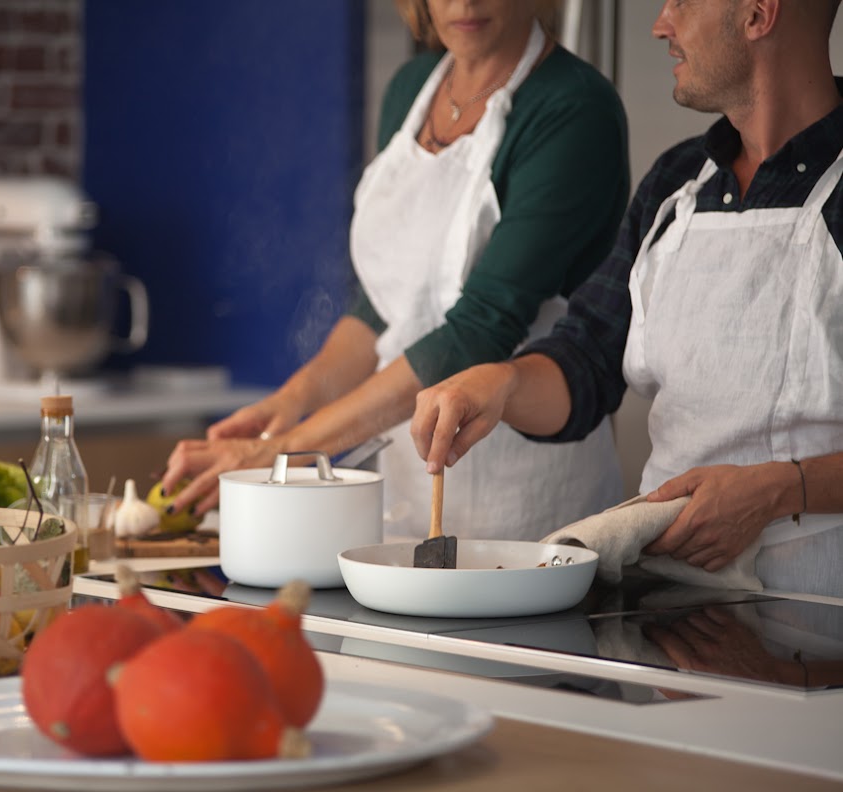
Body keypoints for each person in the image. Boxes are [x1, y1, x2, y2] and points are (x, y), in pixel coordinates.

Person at [410, 0, 843, 596]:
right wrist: (501, 384)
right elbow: (588, 358)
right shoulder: (678, 181)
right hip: (665, 608)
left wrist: (781, 490)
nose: (661, 24)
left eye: (682, 4)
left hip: (819, 627)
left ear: (757, 14)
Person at [160, 0, 630, 541]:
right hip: (406, 479)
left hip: (524, 500)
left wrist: (279, 452)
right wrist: (289, 404)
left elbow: (480, 329)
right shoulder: (412, 89)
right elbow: (382, 309)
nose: (465, 3)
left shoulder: (574, 108)